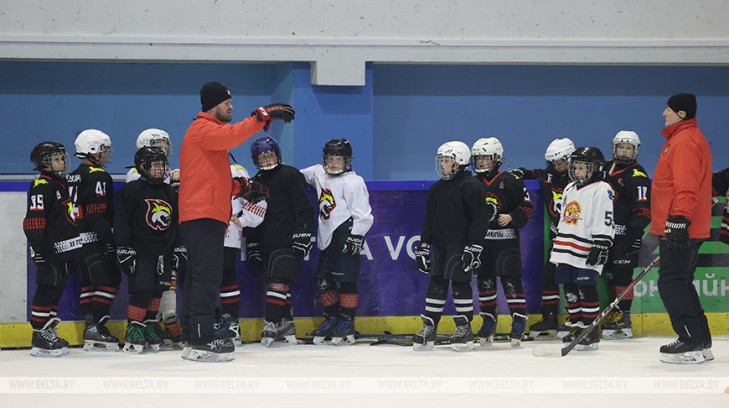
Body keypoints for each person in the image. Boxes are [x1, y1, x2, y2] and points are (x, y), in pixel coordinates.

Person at [178, 80, 294, 362]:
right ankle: (203, 339)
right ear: (214, 104)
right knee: (206, 278)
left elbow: (207, 178)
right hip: (203, 215)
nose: (231, 107)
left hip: (204, 214)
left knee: (199, 277)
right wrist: (260, 117)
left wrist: (240, 188)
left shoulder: (206, 134)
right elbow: (232, 136)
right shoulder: (204, 129)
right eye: (227, 103)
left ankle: (194, 335)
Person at [412, 141, 495, 352]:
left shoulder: (471, 186)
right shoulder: (436, 189)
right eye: (442, 160)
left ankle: (464, 328)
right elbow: (430, 220)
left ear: (459, 162)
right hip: (440, 245)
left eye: (447, 160)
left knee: (460, 283)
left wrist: (474, 246)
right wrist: (424, 245)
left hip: (461, 245)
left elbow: (480, 218)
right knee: (436, 284)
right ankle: (430, 327)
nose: (442, 164)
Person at [651, 93, 713, 364]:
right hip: (683, 224)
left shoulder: (684, 141)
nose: (664, 113)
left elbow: (686, 185)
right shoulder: (683, 138)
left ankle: (690, 340)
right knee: (681, 280)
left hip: (680, 225)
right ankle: (701, 340)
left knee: (671, 282)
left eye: (668, 109)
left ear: (681, 114)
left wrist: (679, 219)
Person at [301, 139, 374, 345]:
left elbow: (364, 215)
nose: (333, 163)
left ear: (347, 161)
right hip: (326, 236)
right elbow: (296, 175)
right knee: (324, 281)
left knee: (346, 280)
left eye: (338, 159)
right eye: (330, 158)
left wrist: (356, 235)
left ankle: (347, 321)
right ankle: (332, 317)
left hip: (345, 233)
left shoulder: (354, 182)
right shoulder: (319, 173)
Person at [245, 136, 314, 347]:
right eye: (262, 156)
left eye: (270, 154)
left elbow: (303, 208)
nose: (266, 159)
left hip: (288, 240)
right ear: (255, 159)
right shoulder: (255, 182)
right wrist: (253, 242)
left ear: (277, 155)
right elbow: (252, 216)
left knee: (278, 281)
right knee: (274, 283)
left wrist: (303, 234)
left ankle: (271, 322)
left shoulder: (290, 175)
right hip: (267, 241)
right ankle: (286, 323)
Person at [115, 147, 182, 354]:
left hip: (163, 252)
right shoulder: (132, 190)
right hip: (140, 251)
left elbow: (176, 223)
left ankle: (150, 324)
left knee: (158, 290)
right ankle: (134, 327)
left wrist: (178, 247)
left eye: (162, 165)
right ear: (142, 167)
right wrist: (124, 248)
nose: (159, 169)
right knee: (142, 289)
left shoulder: (170, 192)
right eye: (154, 165)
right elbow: (122, 222)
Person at [550, 147, 614, 351]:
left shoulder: (602, 189)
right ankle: (577, 326)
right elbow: (564, 217)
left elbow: (605, 217)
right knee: (569, 288)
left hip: (587, 246)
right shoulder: (569, 188)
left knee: (585, 288)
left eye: (582, 167)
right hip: (565, 246)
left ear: (594, 168)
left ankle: (590, 330)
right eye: (575, 167)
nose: (577, 171)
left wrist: (601, 244)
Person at [470, 137, 533, 347]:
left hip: (507, 242)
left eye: (486, 157)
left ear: (497, 158)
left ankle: (519, 319)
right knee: (485, 282)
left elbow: (526, 207)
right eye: (478, 158)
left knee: (511, 281)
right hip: (483, 244)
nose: (481, 161)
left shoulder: (511, 180)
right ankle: (488, 320)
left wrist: (512, 217)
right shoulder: (473, 183)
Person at [23, 141, 84, 357]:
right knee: (47, 288)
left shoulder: (60, 183)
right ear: (44, 163)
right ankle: (39, 334)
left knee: (57, 287)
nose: (61, 163)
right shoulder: (42, 186)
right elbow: (34, 218)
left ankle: (47, 329)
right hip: (48, 249)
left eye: (61, 159)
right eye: (56, 160)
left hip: (62, 249)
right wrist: (38, 247)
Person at [511, 138, 575, 338]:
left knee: (573, 277)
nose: (558, 166)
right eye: (554, 162)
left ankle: (577, 318)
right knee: (548, 275)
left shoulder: (581, 178)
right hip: (558, 236)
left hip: (578, 236)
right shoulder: (548, 175)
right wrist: (518, 172)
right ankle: (550, 317)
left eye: (561, 161)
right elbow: (531, 172)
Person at [67, 129, 121, 352]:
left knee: (88, 284)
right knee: (109, 281)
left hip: (77, 240)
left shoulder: (72, 175)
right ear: (92, 150)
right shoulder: (98, 176)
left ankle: (90, 325)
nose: (106, 154)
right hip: (94, 238)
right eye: (103, 150)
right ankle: (95, 327)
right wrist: (108, 240)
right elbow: (97, 214)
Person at [600, 131, 651, 340]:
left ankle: (624, 316)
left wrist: (635, 234)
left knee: (622, 276)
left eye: (628, 148)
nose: (623, 151)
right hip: (604, 233)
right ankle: (613, 312)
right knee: (609, 276)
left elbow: (643, 211)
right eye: (620, 147)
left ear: (635, 151)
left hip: (624, 235)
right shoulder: (605, 168)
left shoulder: (637, 175)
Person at [222, 162, 268, 346]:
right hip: (203, 229)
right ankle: (206, 323)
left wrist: (243, 220)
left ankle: (231, 324)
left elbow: (257, 198)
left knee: (226, 275)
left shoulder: (235, 171)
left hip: (227, 231)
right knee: (204, 278)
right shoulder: (199, 168)